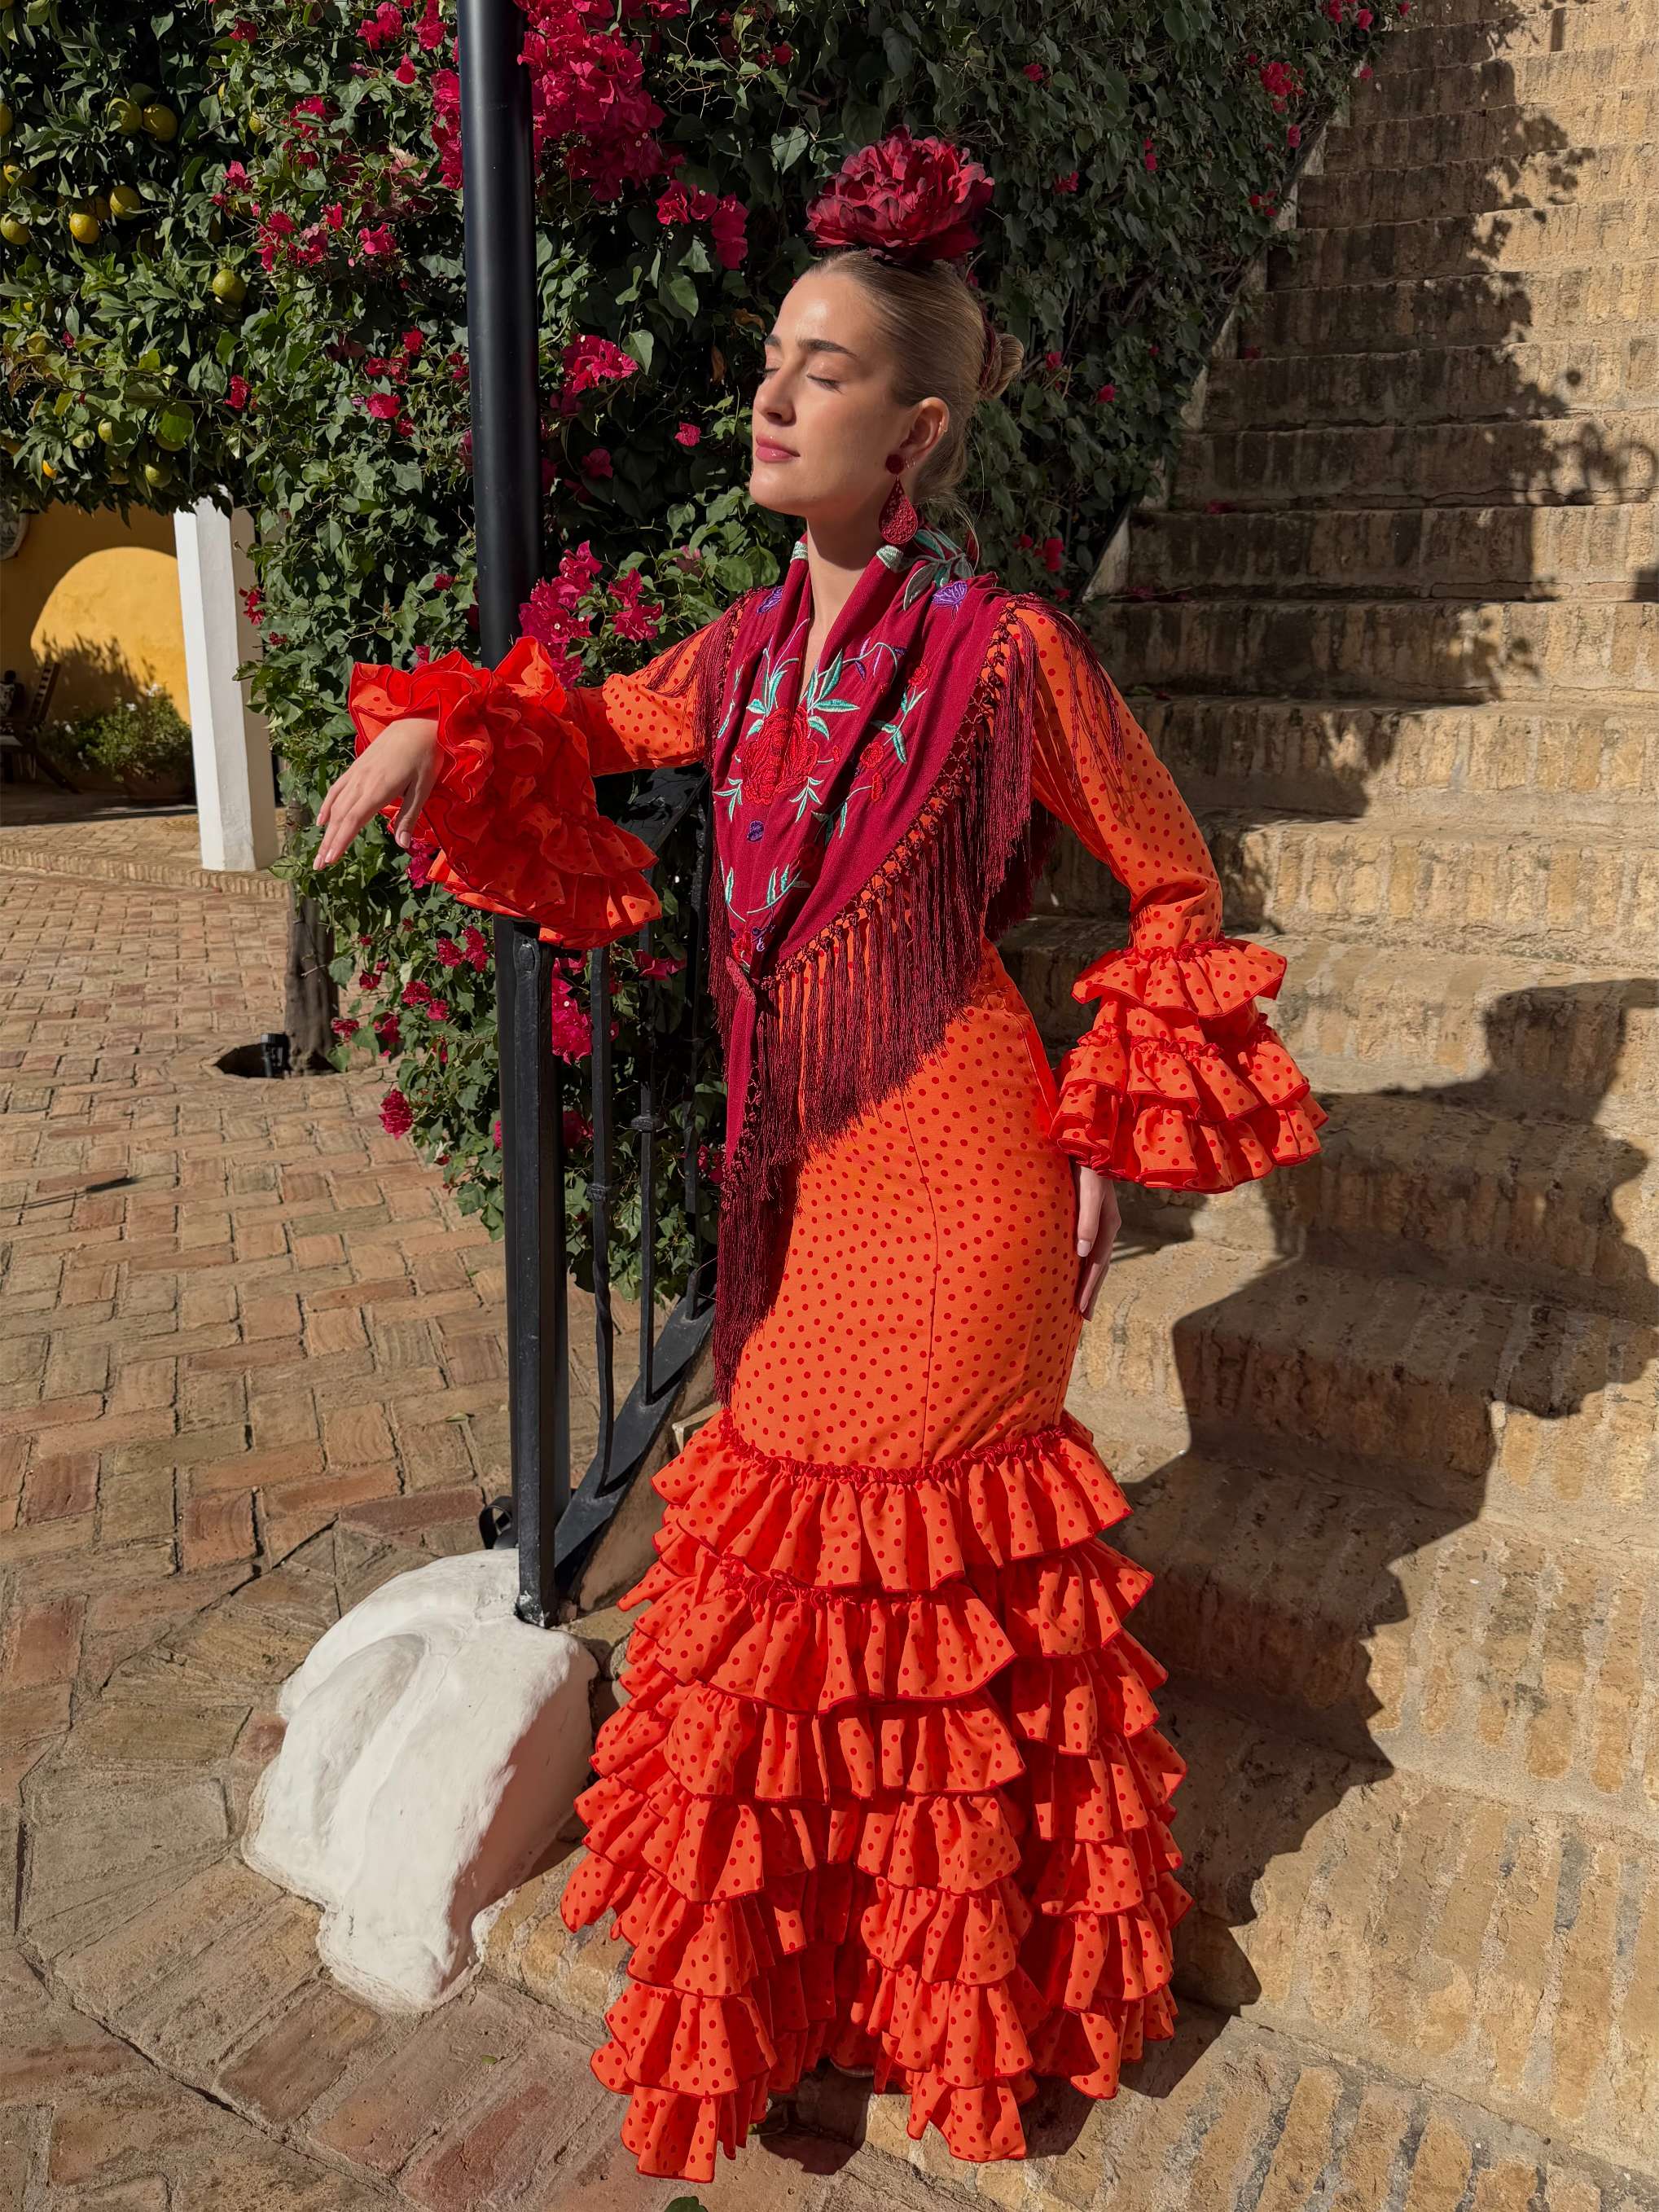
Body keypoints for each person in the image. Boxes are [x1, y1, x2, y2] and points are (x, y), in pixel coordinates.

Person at [315, 129, 1326, 2186]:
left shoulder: (1010, 653)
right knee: (776, 1572)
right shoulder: (743, 652)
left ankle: (957, 2004)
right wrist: (438, 728)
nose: (771, 395)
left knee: (926, 1589)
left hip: (958, 1178)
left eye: (825, 369)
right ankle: (817, 1988)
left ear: (917, 430)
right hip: (795, 1185)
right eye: (772, 357)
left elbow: (1171, 884)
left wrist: (1111, 1139)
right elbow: (584, 724)